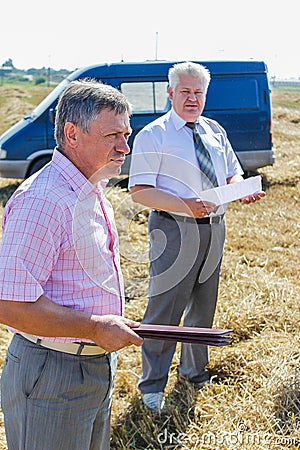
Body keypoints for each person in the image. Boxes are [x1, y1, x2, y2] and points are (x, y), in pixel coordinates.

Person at [0, 78, 143, 450]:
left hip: (91, 366)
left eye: (126, 135)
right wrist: (95, 326)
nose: (124, 147)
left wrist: (99, 330)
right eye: (112, 135)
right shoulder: (44, 201)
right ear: (72, 133)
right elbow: (10, 304)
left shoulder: (91, 189)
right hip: (53, 374)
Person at [128, 61, 265, 413]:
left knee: (204, 305)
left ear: (206, 95)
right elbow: (140, 191)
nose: (192, 98)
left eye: (198, 92)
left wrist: (240, 189)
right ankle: (153, 386)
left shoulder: (215, 131)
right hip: (173, 229)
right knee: (164, 310)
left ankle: (193, 371)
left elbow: (232, 173)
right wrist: (185, 206)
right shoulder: (153, 135)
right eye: (185, 92)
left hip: (215, 227)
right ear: (170, 93)